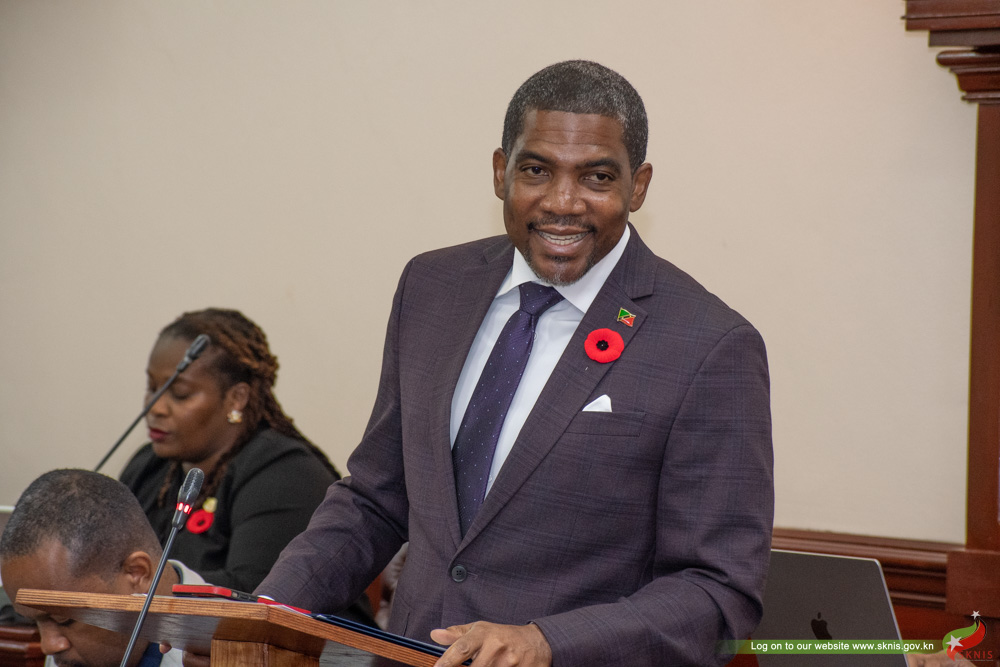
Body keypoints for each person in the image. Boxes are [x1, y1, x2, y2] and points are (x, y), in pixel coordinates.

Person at [257, 60, 774, 666]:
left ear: (638, 187)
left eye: (597, 177)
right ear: (501, 172)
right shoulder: (432, 286)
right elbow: (377, 497)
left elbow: (717, 592)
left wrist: (547, 641)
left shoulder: (710, 345)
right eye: (536, 170)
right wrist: (263, 611)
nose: (562, 202)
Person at [119, 308, 372, 625]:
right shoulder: (148, 466)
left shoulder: (284, 474)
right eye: (152, 387)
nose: (154, 407)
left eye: (179, 393)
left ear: (237, 398)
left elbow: (255, 596)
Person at [0, 469, 206, 667]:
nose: (49, 646)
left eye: (64, 620)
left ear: (137, 573)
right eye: (34, 621)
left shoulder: (217, 654)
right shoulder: (78, 652)